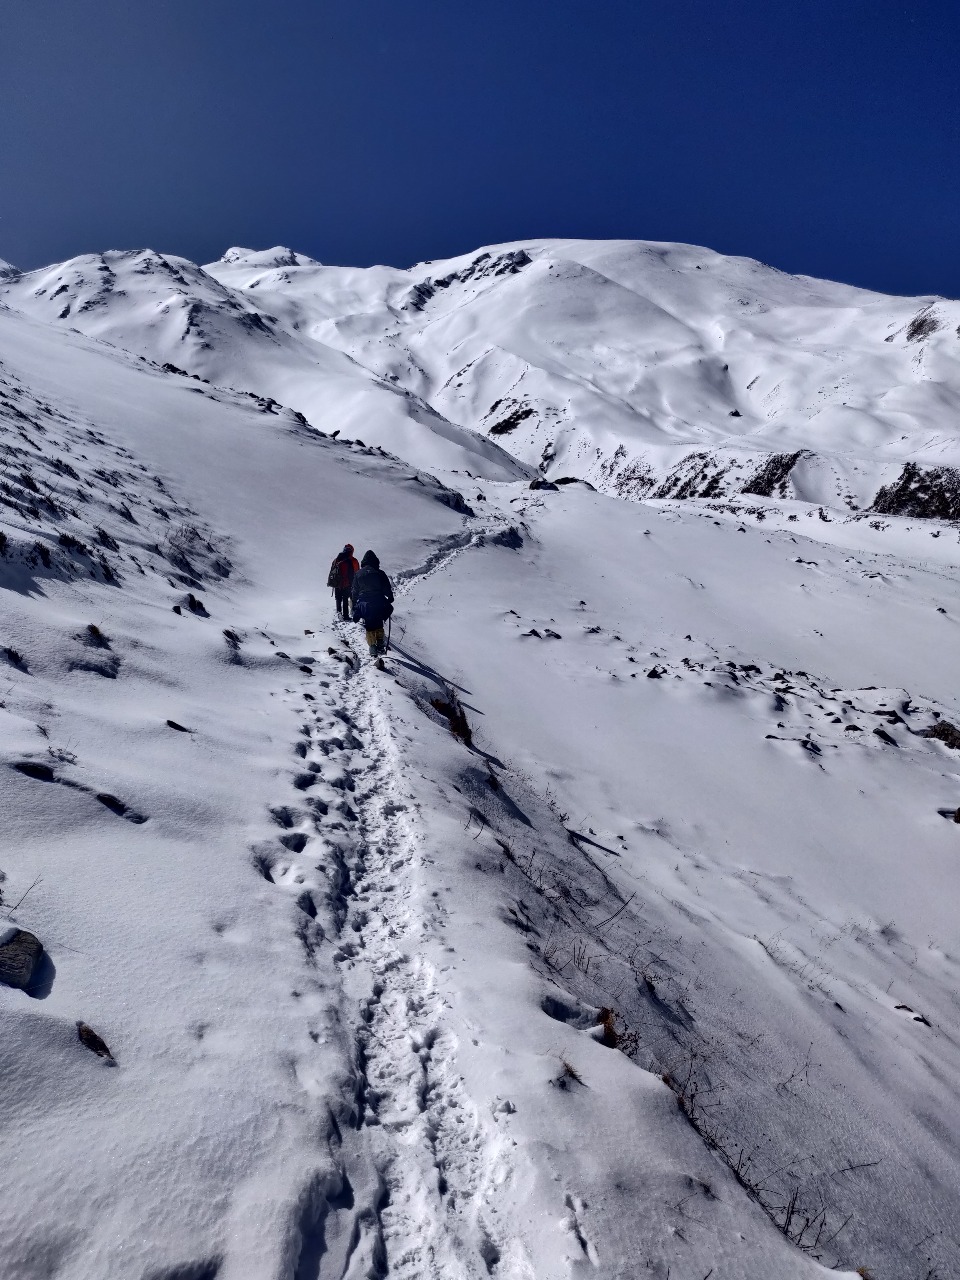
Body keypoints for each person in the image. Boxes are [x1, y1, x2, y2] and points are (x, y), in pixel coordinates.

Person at [351, 550, 394, 656]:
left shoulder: (358, 574)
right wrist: (390, 597)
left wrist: (354, 602)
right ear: (376, 561)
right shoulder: (380, 573)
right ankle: (380, 644)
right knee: (379, 623)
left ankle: (372, 648)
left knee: (369, 625)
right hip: (378, 601)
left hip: (364, 604)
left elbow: (354, 591)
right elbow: (386, 588)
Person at [327, 543, 359, 620]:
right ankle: (346, 616)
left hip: (337, 583)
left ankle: (338, 613)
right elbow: (357, 571)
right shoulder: (353, 560)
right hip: (347, 583)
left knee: (338, 598)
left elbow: (332, 570)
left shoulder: (336, 559)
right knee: (345, 599)